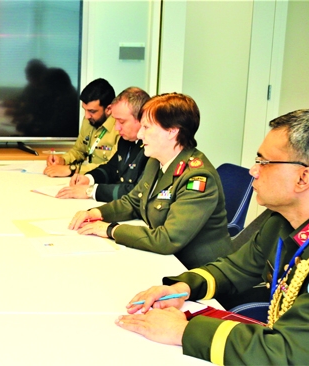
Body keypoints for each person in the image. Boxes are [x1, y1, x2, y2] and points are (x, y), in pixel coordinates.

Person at [117, 109, 309, 365]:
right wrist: (182, 288)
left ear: (303, 178)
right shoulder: (284, 218)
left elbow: (289, 353)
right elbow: (236, 268)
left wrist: (184, 331)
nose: (253, 171)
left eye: (263, 162)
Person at [68, 93, 232, 269]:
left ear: (172, 132)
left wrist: (111, 230)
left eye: (146, 127)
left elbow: (168, 239)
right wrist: (96, 214)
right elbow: (133, 202)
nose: (139, 134)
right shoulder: (156, 161)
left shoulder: (197, 177)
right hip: (165, 262)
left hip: (200, 274)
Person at [56, 87, 151, 202]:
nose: (116, 127)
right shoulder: (127, 140)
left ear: (141, 119)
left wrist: (91, 191)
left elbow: (136, 192)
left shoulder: (151, 148)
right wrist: (89, 178)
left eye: (121, 121)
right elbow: (112, 168)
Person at [44, 78, 120, 177]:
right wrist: (63, 160)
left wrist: (72, 169)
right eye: (85, 110)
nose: (87, 116)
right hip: (85, 177)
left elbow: (111, 168)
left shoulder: (120, 129)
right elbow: (79, 150)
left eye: (92, 111)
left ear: (109, 109)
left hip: (104, 181)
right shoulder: (89, 120)